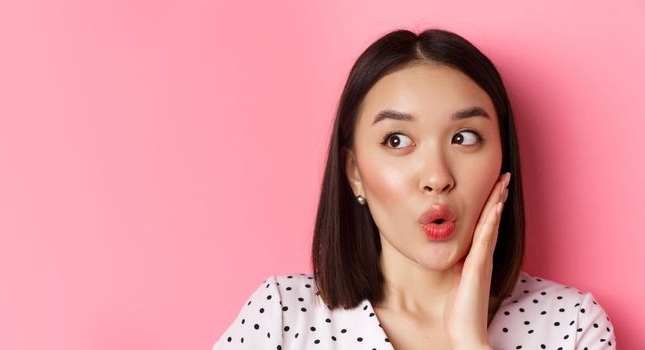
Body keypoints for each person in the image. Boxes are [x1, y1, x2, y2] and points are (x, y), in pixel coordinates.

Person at [212, 28, 616, 349]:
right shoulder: (283, 316)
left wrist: (469, 342)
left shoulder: (570, 325)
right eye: (397, 141)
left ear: (503, 161)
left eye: (464, 138)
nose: (437, 176)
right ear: (354, 172)